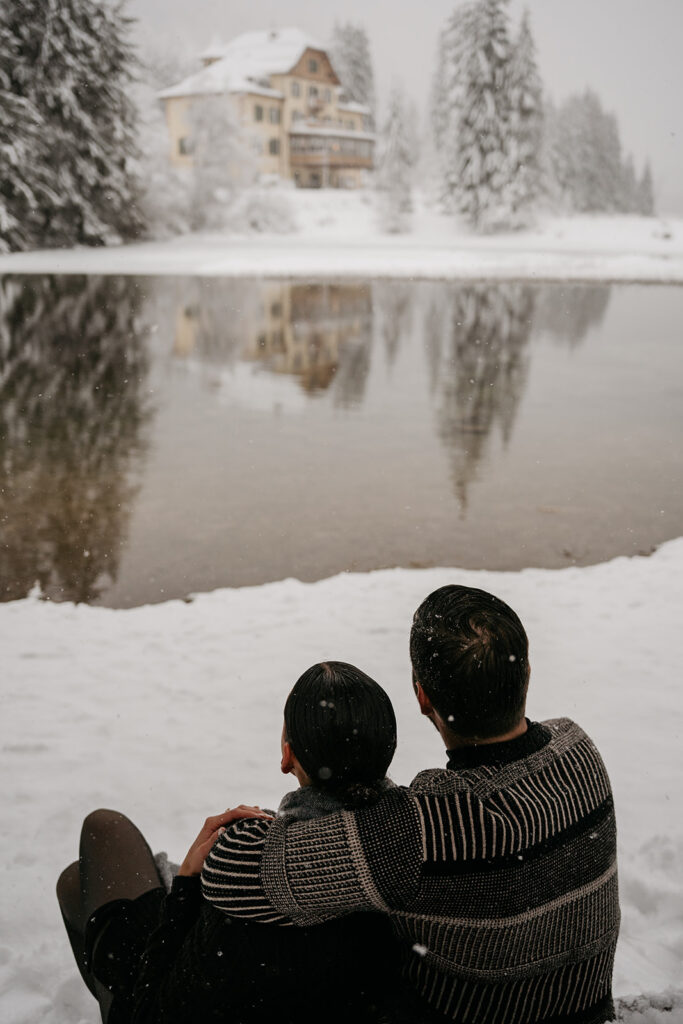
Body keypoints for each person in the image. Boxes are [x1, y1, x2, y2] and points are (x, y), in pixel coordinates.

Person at [202, 586, 620, 1024]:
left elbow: (230, 870)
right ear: (527, 673)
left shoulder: (421, 830)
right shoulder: (578, 748)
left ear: (422, 697)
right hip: (586, 1011)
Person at [56, 661, 401, 1024]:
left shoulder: (249, 870)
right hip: (310, 993)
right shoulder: (406, 848)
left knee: (101, 834)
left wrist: (188, 883)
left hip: (177, 995)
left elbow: (156, 1011)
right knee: (79, 881)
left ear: (287, 757)